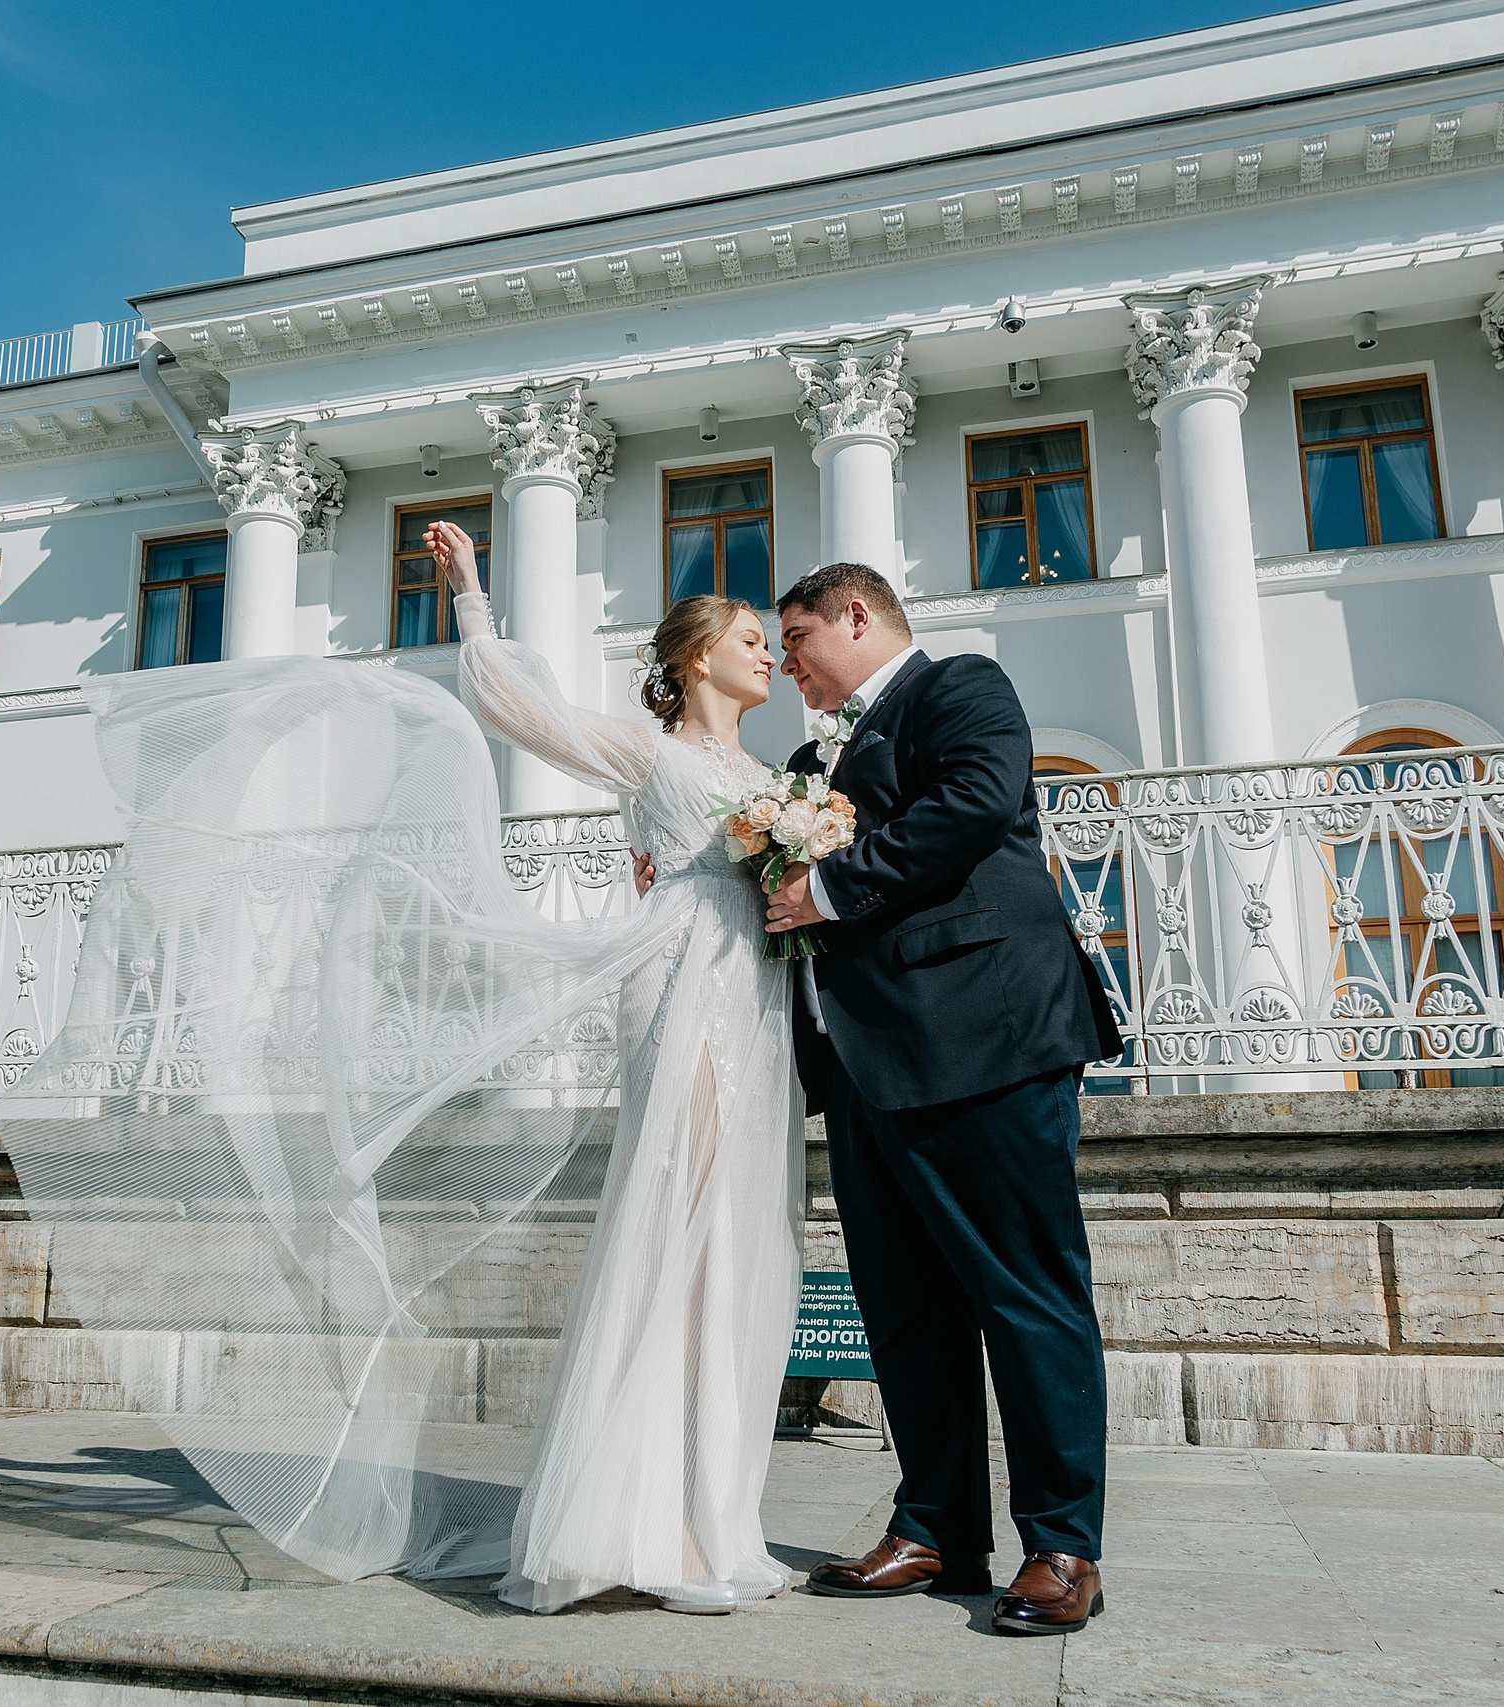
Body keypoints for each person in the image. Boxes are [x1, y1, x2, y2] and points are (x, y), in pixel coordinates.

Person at [430, 519, 805, 1616]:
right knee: (675, 1227)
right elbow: (518, 709)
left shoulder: (773, 773)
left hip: (761, 997)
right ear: (697, 656)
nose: (766, 653)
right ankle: (645, 1529)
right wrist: (469, 592)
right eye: (750, 637)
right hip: (683, 982)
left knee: (741, 1238)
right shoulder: (653, 754)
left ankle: (711, 1519)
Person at [767, 561, 1123, 1638]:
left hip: (985, 1042)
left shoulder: (960, 689)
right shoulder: (796, 763)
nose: (787, 665)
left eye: (796, 640)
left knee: (1025, 1297)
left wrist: (824, 884)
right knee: (905, 1314)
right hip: (865, 1067)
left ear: (857, 616)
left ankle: (1062, 1546)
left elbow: (972, 803)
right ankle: (935, 1530)